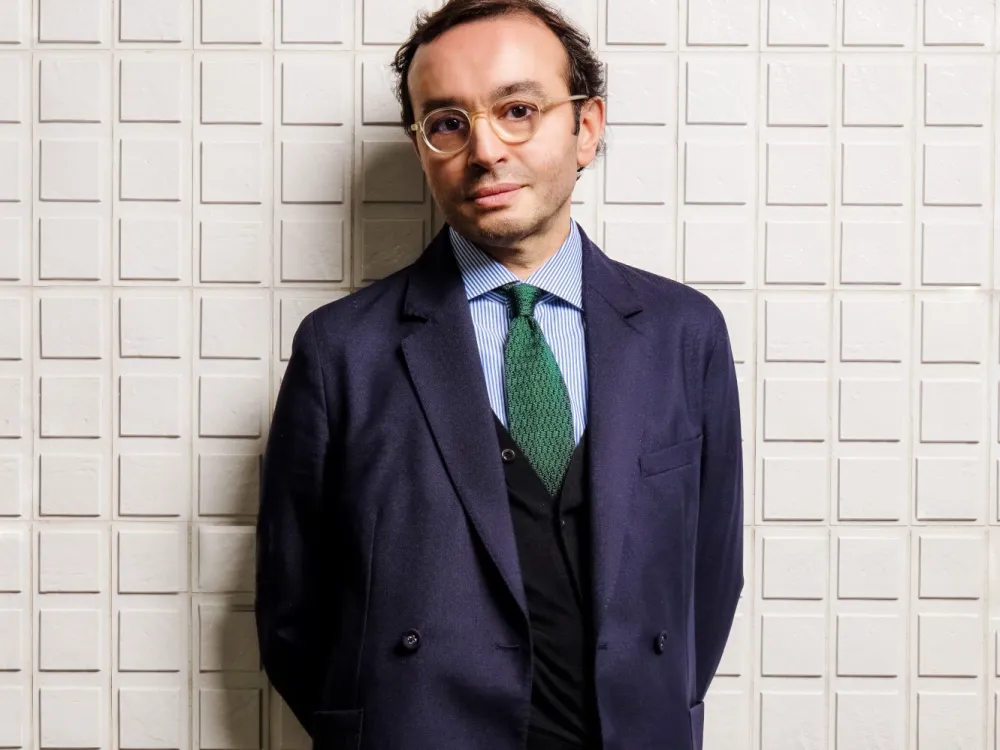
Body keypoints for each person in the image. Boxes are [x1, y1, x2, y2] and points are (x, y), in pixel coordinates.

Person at [254, 0, 743, 748]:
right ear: (422, 150)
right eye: (447, 123)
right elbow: (293, 612)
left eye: (518, 110)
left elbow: (711, 574)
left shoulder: (684, 332)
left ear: (586, 127)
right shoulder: (341, 350)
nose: (484, 150)